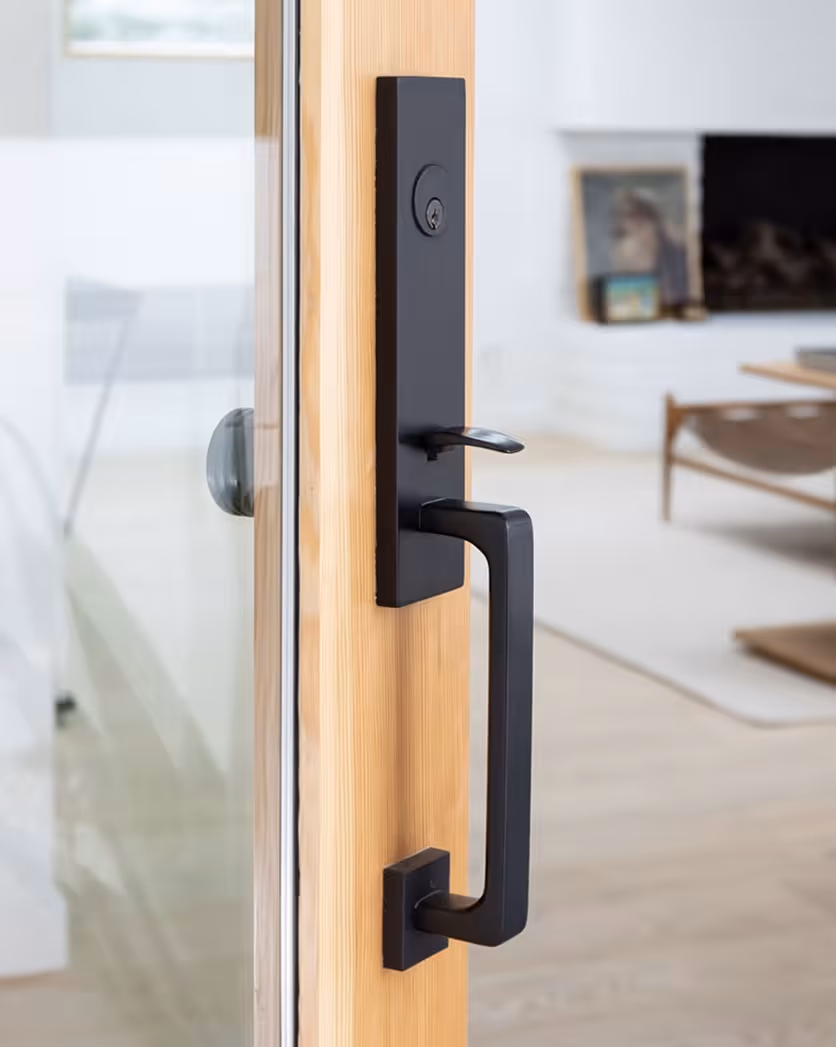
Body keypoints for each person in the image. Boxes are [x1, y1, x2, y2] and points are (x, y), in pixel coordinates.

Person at [610, 188, 690, 308]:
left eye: (642, 217)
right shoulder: (622, 251)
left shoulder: (674, 253)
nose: (636, 225)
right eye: (628, 217)